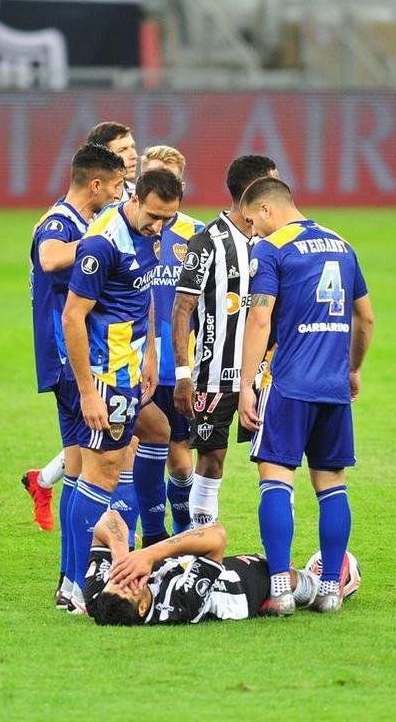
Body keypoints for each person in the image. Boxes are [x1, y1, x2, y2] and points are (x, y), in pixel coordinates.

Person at [237, 177, 375, 615]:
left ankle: (280, 589)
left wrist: (244, 384)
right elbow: (366, 318)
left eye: (252, 223)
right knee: (331, 484)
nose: (252, 232)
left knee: (275, 478)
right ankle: (331, 589)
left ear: (264, 210)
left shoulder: (272, 249)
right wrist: (352, 368)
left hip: (289, 384)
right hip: (333, 388)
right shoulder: (343, 245)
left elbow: (259, 321)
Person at [60, 168, 184, 613]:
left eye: (167, 219)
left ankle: (147, 535)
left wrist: (151, 352)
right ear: (136, 200)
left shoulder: (152, 234)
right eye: (153, 216)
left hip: (133, 369)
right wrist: (88, 393)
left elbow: (145, 293)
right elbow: (73, 318)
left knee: (157, 431)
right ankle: (75, 586)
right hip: (105, 376)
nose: (159, 227)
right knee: (100, 473)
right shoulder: (102, 244)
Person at [24, 144, 126, 608]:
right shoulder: (60, 223)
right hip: (71, 359)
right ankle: (75, 580)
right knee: (94, 470)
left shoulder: (80, 221)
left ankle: (69, 582)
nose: (122, 193)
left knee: (79, 468)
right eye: (118, 185)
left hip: (67, 358)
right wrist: (101, 243)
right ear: (97, 184)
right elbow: (48, 258)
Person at [170, 155, 280, 529]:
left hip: (265, 377)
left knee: (275, 464)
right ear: (254, 191)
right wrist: (183, 375)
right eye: (274, 183)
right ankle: (202, 548)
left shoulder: (276, 241)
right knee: (211, 460)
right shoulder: (206, 242)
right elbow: (181, 309)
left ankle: (275, 559)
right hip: (214, 376)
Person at [134, 145, 204, 546]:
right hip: (130, 361)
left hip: (178, 365)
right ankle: (146, 538)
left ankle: (181, 533)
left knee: (180, 458)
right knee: (129, 452)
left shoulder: (196, 235)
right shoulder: (127, 228)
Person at [83, 510, 321, 626]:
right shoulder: (177, 604)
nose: (124, 578)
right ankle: (319, 584)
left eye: (117, 580)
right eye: (128, 586)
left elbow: (108, 518)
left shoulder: (100, 598)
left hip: (196, 566)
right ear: (143, 607)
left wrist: (121, 556)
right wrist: (148, 554)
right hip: (240, 588)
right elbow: (217, 535)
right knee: (279, 577)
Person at [87, 121, 138, 197]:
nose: (134, 156)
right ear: (102, 158)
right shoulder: (83, 202)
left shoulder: (138, 195)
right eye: (122, 150)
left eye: (133, 147)